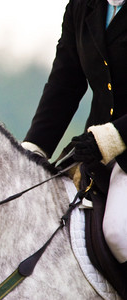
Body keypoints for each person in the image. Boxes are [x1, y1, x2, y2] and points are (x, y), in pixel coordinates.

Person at [21, 0, 127, 275]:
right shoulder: (82, 6)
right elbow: (65, 82)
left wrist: (116, 135)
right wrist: (34, 149)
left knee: (119, 232)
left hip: (111, 144)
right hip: (95, 149)